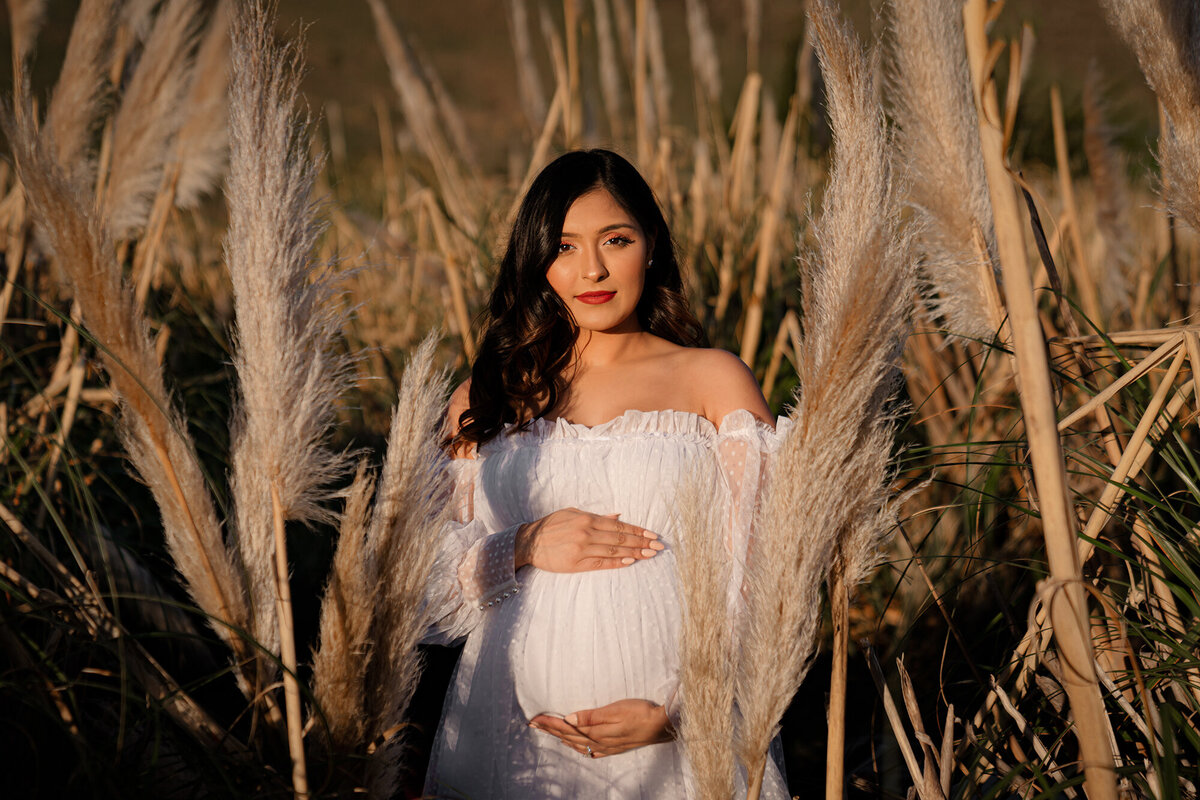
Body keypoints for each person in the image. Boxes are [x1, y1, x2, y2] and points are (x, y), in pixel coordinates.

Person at [423, 149, 789, 799]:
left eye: (614, 240)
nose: (591, 268)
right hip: (513, 741)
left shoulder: (712, 379)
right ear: (538, 263)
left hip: (681, 751)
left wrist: (685, 709)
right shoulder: (484, 398)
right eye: (564, 247)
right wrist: (525, 544)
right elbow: (430, 597)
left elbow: (764, 570)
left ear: (651, 247)